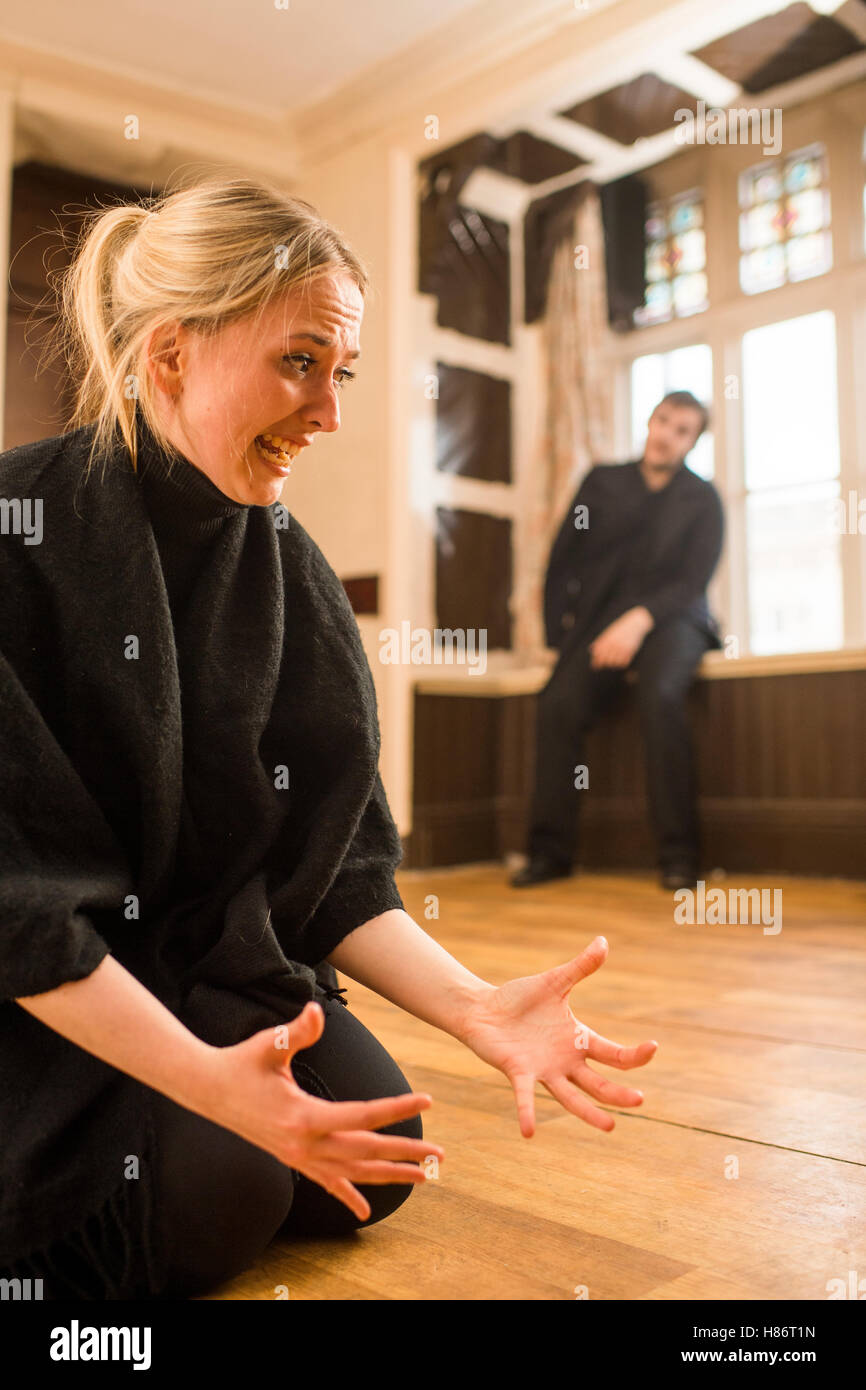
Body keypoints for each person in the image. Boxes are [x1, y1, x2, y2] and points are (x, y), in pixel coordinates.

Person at [0, 174, 658, 1301]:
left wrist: (473, 1007)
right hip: (36, 983)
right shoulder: (20, 532)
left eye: (339, 371)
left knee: (373, 1165)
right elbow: (18, 899)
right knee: (225, 1199)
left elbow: (336, 862)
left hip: (195, 951)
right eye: (300, 362)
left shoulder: (287, 565)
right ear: (169, 355)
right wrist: (206, 1081)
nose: (331, 412)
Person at [512, 391, 724, 892]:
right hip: (599, 627)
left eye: (681, 430)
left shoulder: (704, 500)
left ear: (692, 442)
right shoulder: (602, 482)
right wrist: (558, 638)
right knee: (557, 706)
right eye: (663, 420)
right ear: (650, 420)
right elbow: (563, 560)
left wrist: (640, 620)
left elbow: (693, 581)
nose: (666, 434)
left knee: (661, 696)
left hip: (675, 622)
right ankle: (550, 854)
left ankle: (679, 857)